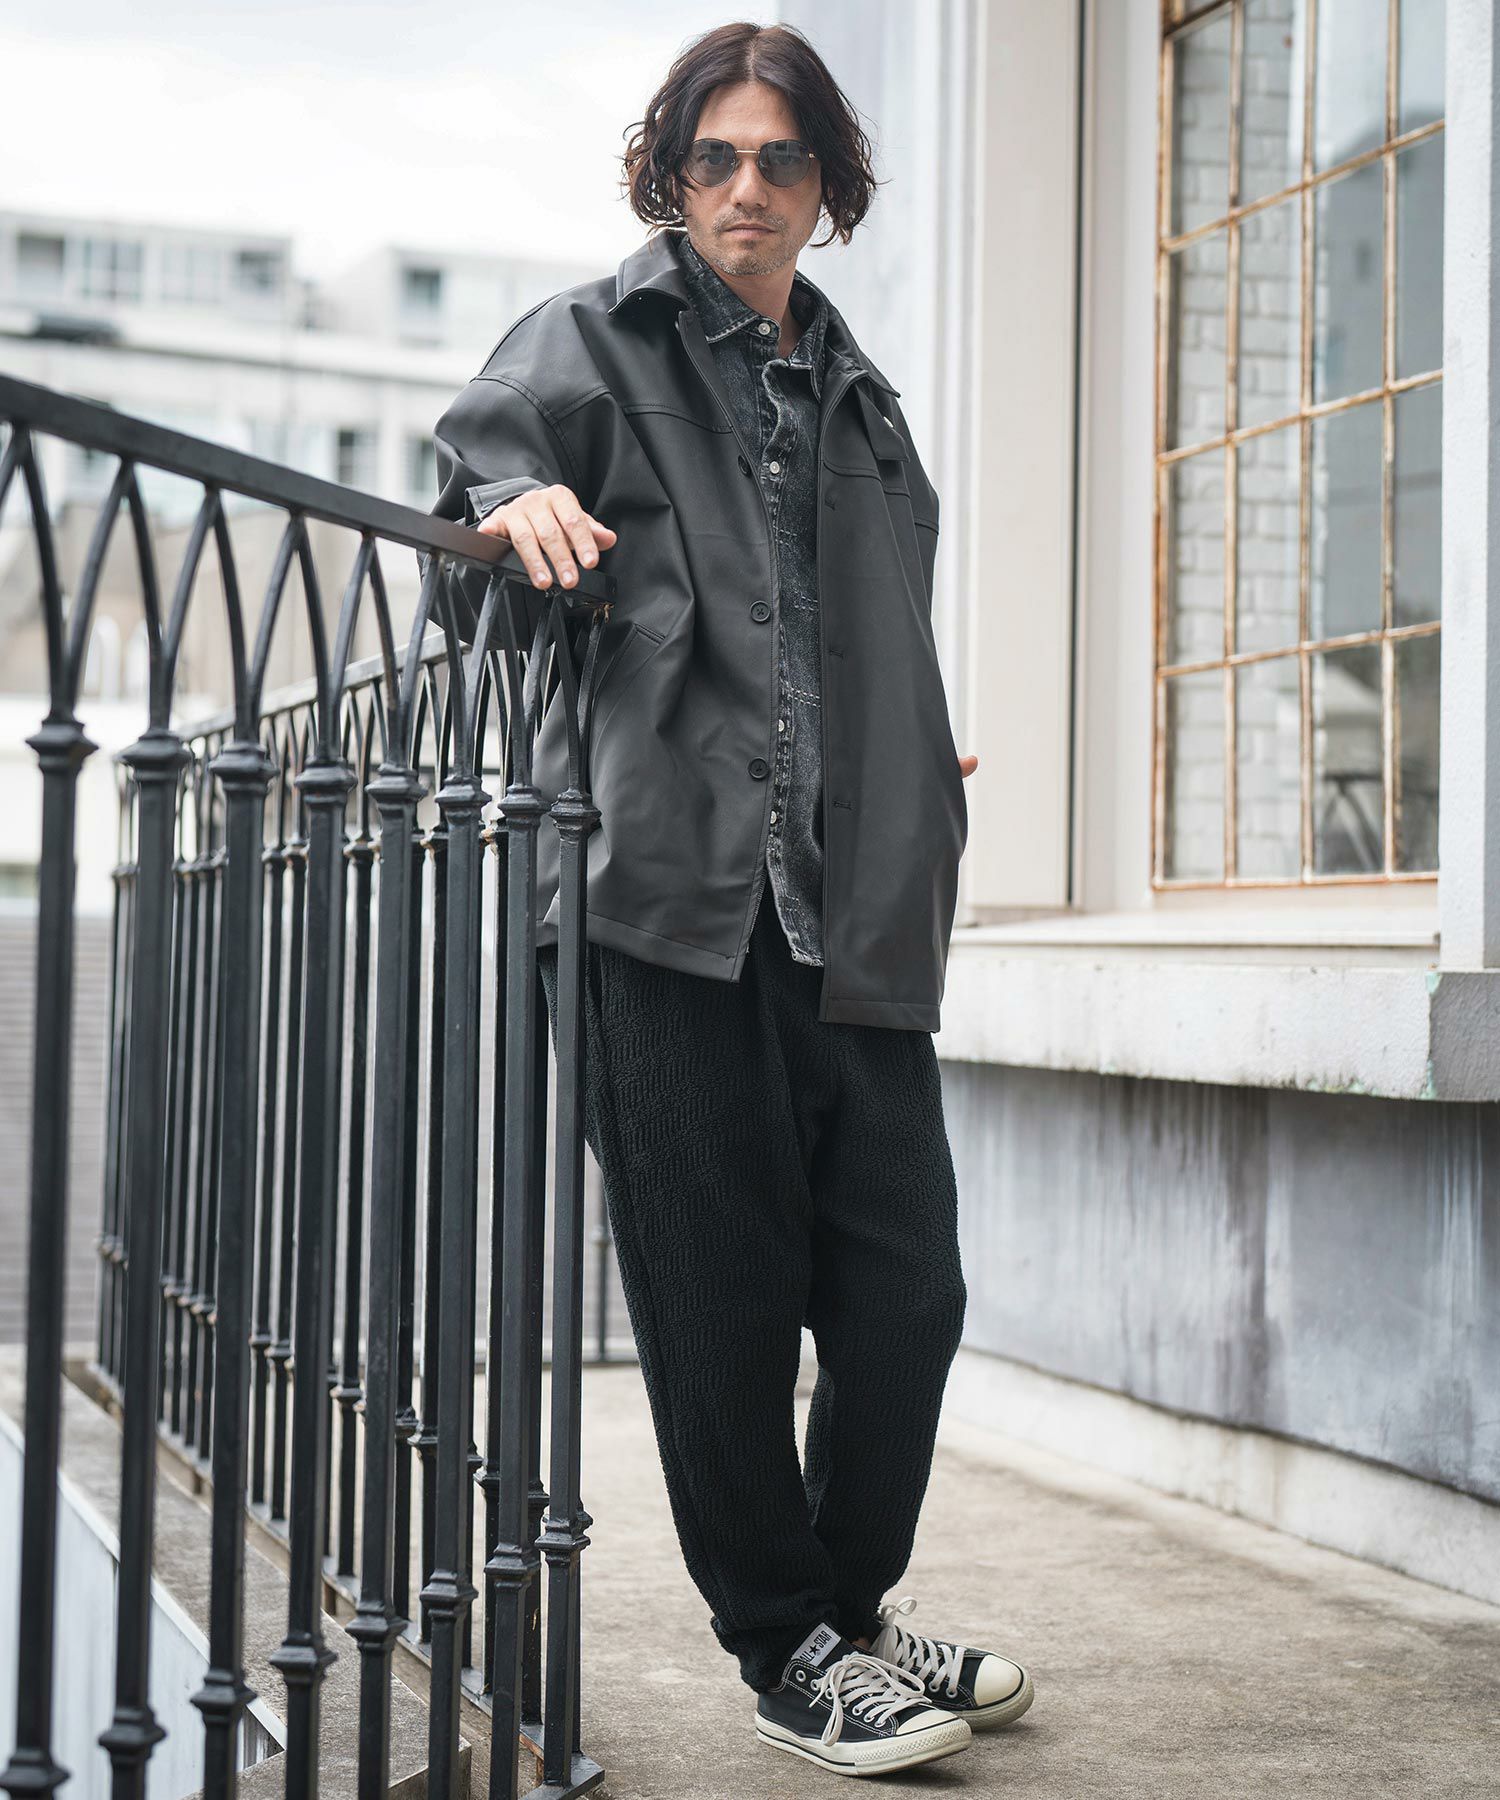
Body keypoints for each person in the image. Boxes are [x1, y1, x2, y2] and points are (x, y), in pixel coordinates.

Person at [429, 19, 1034, 1779]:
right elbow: (468, 522)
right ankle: (789, 1650)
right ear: (668, 176)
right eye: (715, 157)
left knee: (907, 1296)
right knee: (724, 1305)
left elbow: (861, 639)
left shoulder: (865, 403)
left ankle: (843, 1614)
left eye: (780, 158)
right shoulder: (587, 342)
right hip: (660, 904)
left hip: (854, 915)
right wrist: (515, 502)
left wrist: (897, 764)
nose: (746, 188)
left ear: (826, 185)